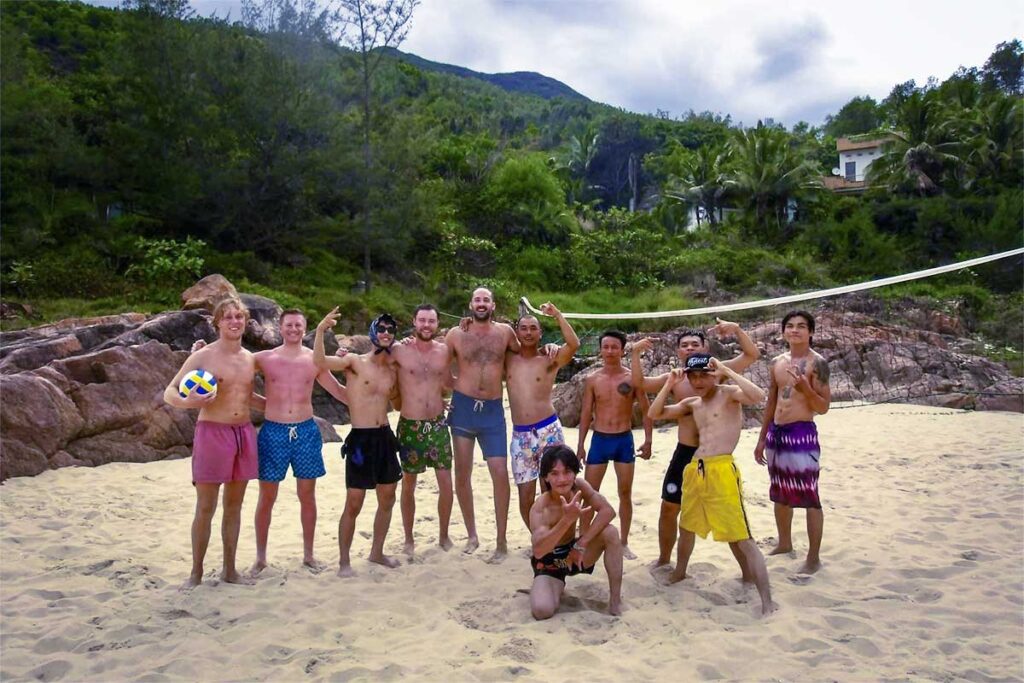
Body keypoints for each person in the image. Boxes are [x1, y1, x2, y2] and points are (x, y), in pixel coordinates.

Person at [649, 354, 775, 616]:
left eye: (703, 375)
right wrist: (669, 382)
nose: (698, 381)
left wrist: (726, 369)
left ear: (714, 374)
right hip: (696, 470)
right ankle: (679, 573)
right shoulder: (693, 403)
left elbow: (758, 395)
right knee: (686, 526)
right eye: (693, 376)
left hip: (721, 470)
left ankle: (766, 600)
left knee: (741, 536)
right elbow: (655, 413)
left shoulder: (729, 393)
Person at [631, 319, 759, 575]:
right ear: (678, 351)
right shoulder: (675, 378)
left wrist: (736, 330)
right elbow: (641, 384)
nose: (689, 348)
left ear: (705, 347)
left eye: (694, 344)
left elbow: (751, 355)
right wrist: (635, 353)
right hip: (685, 453)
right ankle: (665, 559)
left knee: (730, 519)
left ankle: (747, 572)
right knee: (669, 507)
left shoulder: (717, 372)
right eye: (684, 345)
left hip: (716, 458)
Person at [164, 297, 258, 589]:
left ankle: (230, 570)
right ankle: (196, 573)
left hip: (243, 433)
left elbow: (248, 398)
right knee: (206, 507)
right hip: (212, 432)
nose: (234, 322)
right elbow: (170, 390)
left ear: (245, 321)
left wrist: (286, 408)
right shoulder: (203, 356)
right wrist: (187, 401)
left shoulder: (250, 358)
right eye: (228, 317)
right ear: (217, 322)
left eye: (239, 317)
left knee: (235, 506)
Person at [247, 309, 350, 575]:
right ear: (280, 328)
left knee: (307, 495)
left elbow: (337, 390)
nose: (293, 329)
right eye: (289, 325)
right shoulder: (264, 358)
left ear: (305, 330)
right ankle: (260, 557)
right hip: (273, 432)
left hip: (305, 431)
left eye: (298, 325)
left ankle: (308, 554)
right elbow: (234, 370)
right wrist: (267, 405)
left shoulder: (314, 360)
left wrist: (368, 402)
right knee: (267, 497)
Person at [314, 308, 402, 577]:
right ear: (374, 332)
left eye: (391, 330)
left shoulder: (392, 370)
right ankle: (344, 561)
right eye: (382, 328)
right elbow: (320, 362)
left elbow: (398, 402)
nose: (386, 333)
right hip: (361, 439)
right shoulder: (354, 361)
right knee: (354, 501)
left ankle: (376, 552)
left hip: (385, 436)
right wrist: (320, 330)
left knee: (388, 498)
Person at [444, 287, 520, 558]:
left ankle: (501, 541)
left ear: (493, 305)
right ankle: (472, 535)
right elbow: (439, 363)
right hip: (463, 408)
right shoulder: (455, 334)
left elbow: (525, 354)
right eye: (477, 299)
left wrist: (550, 346)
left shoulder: (505, 333)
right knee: (462, 473)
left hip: (492, 411)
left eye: (485, 300)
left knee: (500, 473)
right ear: (470, 304)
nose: (481, 303)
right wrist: (455, 389)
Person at [754, 310, 831, 574]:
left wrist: (805, 389)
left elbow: (823, 407)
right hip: (777, 433)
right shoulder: (777, 361)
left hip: (802, 433)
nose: (795, 330)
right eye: (790, 326)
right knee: (779, 491)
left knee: (810, 496)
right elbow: (772, 401)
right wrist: (762, 437)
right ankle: (784, 543)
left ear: (810, 331)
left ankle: (813, 557)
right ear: (784, 331)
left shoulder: (817, 363)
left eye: (801, 326)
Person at [576, 330, 652, 560]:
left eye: (614, 347)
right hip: (599, 439)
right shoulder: (593, 379)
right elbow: (586, 413)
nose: (609, 351)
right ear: (600, 349)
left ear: (622, 350)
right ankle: (584, 538)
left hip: (622, 439)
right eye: (605, 346)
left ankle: (624, 541)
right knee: (589, 493)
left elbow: (647, 409)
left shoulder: (632, 378)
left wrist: (648, 440)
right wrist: (580, 445)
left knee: (625, 493)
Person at [505, 302, 579, 531]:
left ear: (540, 333)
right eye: (524, 328)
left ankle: (562, 535)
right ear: (517, 332)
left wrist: (557, 314)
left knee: (557, 488)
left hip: (548, 430)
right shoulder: (507, 360)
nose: (528, 332)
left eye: (533, 328)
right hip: (521, 435)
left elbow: (574, 344)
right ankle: (539, 537)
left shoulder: (549, 359)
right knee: (526, 494)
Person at [529, 444, 623, 619]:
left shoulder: (579, 486)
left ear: (574, 473)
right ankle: (550, 587)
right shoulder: (541, 507)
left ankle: (615, 601)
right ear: (546, 478)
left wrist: (581, 543)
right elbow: (539, 550)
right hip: (551, 561)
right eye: (555, 474)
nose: (562, 479)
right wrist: (567, 520)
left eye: (567, 472)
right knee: (542, 610)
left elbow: (608, 511)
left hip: (576, 553)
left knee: (610, 532)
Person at [391, 304, 455, 556]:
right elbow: (374, 360)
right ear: (414, 322)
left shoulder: (444, 351)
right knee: (409, 483)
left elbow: (452, 379)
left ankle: (443, 535)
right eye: (422, 320)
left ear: (437, 324)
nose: (426, 325)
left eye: (431, 321)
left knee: (446, 483)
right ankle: (408, 538)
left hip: (438, 423)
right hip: (410, 424)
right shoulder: (399, 349)